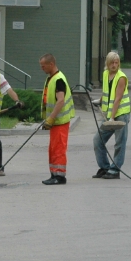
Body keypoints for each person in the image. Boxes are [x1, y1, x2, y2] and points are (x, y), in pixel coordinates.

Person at [93, 51, 130, 179]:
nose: (114, 65)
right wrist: (100, 100)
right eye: (112, 63)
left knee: (119, 143)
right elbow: (107, 92)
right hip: (109, 115)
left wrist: (112, 117)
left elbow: (117, 99)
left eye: (116, 62)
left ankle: (115, 170)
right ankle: (104, 167)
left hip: (120, 114)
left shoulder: (121, 77)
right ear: (107, 63)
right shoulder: (105, 74)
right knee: (98, 140)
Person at [39, 54, 75, 185]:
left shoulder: (59, 79)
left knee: (59, 148)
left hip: (60, 121)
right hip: (54, 122)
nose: (41, 68)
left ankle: (60, 177)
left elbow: (60, 101)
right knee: (53, 148)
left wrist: (51, 118)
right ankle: (54, 174)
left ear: (51, 64)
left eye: (43, 66)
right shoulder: (51, 78)